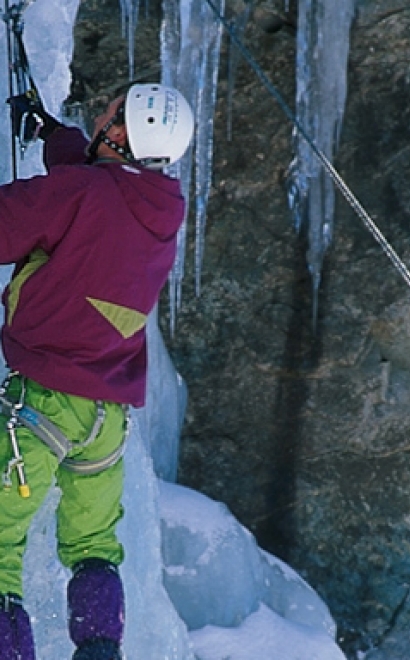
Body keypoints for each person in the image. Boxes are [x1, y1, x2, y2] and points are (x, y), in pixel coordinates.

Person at [0, 83, 194, 660]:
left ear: (120, 133)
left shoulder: (83, 193)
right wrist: (53, 135)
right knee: (93, 544)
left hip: (41, 407)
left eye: (109, 115)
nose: (100, 115)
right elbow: (91, 190)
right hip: (103, 423)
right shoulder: (162, 206)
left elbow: (32, 212)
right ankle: (101, 652)